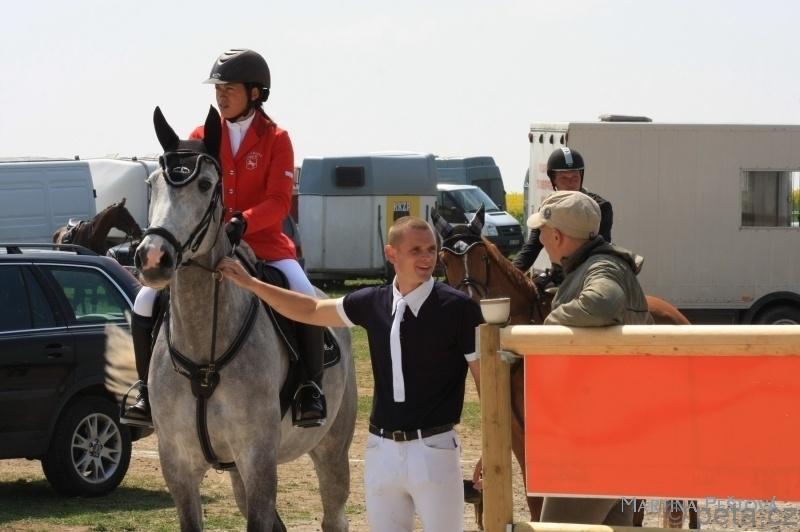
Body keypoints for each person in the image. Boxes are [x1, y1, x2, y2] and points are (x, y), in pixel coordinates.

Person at [219, 216, 483, 532]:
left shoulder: (460, 308)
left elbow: (487, 381)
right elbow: (311, 310)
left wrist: (491, 451)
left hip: (435, 450)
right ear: (391, 254)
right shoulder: (373, 301)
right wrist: (252, 284)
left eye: (431, 249)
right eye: (416, 250)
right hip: (381, 452)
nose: (427, 258)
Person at [122, 48, 326, 429]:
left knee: (303, 293)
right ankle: (146, 391)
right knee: (144, 299)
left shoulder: (276, 139)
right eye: (218, 88)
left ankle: (309, 387)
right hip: (204, 247)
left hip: (263, 246)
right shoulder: (202, 137)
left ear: (255, 93)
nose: (221, 95)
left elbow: (279, 201)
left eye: (229, 88)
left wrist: (242, 222)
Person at [526, 190, 652, 525]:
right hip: (619, 433)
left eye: (542, 231)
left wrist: (551, 323)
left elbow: (603, 302)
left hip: (599, 441)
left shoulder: (601, 267)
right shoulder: (600, 264)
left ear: (557, 236)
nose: (540, 239)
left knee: (557, 529)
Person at [513, 147, 613, 286]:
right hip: (558, 277)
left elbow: (598, 251)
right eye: (564, 178)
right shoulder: (549, 208)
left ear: (581, 177)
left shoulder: (601, 207)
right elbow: (531, 249)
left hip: (588, 278)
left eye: (575, 178)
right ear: (553, 181)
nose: (570, 183)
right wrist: (508, 273)